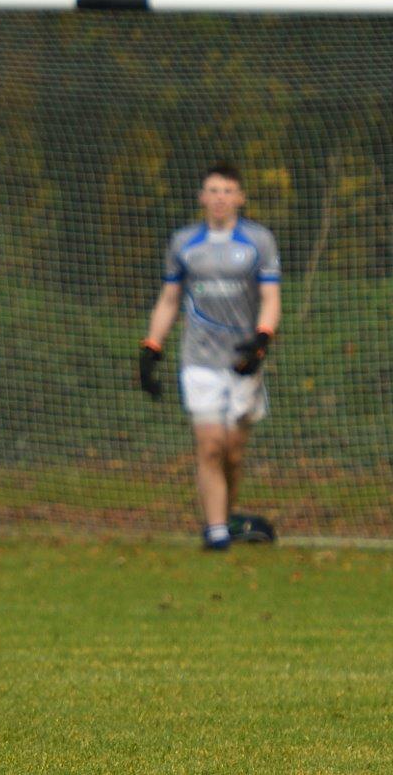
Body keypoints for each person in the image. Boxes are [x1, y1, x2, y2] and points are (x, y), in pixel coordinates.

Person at [138, 162, 281, 550]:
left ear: (240, 197)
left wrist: (262, 341)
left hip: (242, 360)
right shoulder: (184, 243)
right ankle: (216, 532)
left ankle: (228, 518)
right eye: (212, 191)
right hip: (198, 360)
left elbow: (270, 299)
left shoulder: (258, 242)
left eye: (227, 191)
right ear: (202, 197)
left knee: (233, 451)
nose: (219, 198)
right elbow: (169, 299)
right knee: (210, 445)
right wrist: (151, 347)